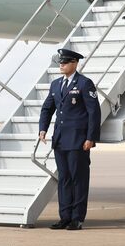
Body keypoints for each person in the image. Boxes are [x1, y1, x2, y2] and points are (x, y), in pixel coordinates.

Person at [38, 48, 101, 231]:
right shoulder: (56, 84)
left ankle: (77, 218)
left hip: (78, 140)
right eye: (60, 62)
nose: (61, 65)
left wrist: (91, 137)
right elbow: (47, 108)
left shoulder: (85, 83)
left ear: (74, 63)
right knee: (64, 179)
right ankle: (64, 217)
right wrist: (43, 128)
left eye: (65, 62)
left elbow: (93, 113)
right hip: (60, 139)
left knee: (78, 179)